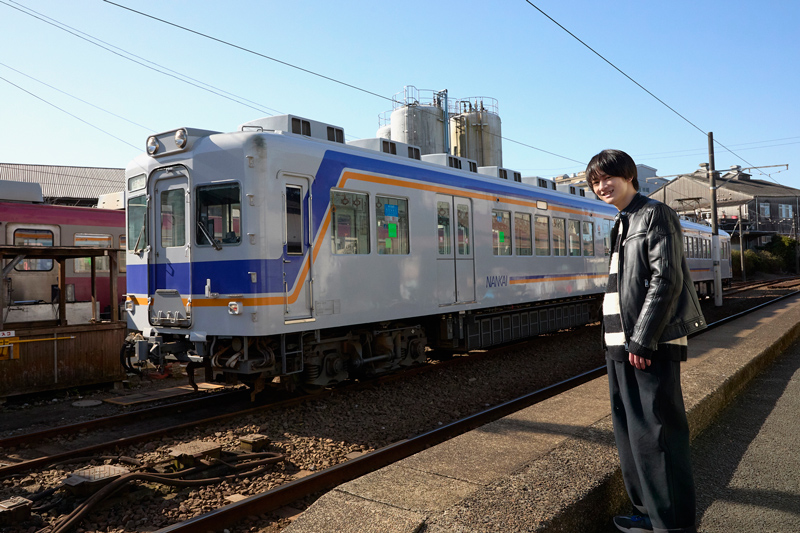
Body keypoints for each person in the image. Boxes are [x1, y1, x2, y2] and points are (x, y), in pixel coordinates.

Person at [585, 149, 706, 533]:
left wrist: (643, 339)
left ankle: (671, 524)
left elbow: (665, 279)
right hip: (620, 344)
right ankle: (645, 515)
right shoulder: (622, 222)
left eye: (608, 178)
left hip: (646, 344)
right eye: (595, 181)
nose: (602, 186)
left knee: (659, 435)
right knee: (631, 437)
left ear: (629, 176)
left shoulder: (655, 214)